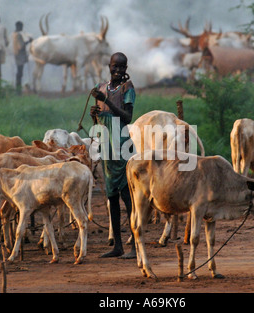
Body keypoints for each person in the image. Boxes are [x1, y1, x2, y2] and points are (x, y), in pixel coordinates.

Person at [90, 52, 136, 258]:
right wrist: (95, 115)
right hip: (107, 146)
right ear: (109, 66)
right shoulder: (101, 87)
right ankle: (118, 246)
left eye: (122, 67)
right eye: (114, 66)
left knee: (128, 197)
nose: (118, 70)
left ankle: (135, 246)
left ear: (126, 69)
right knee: (112, 197)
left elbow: (127, 117)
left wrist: (106, 100)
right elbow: (100, 122)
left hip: (123, 146)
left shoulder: (128, 88)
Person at [12, 21, 32, 95]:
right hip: (20, 56)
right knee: (20, 73)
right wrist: (28, 41)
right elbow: (21, 46)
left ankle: (18, 89)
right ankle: (18, 90)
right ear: (19, 27)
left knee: (19, 72)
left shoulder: (14, 34)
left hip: (16, 55)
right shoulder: (18, 35)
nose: (22, 28)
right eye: (21, 27)